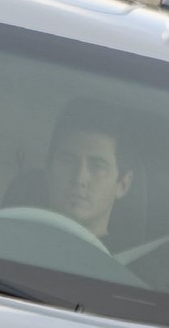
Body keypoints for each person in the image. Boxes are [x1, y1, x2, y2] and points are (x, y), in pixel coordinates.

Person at [41, 96, 133, 242]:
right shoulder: (10, 245)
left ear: (123, 185)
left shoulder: (133, 263)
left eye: (97, 166)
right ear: (48, 171)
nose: (79, 178)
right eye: (68, 161)